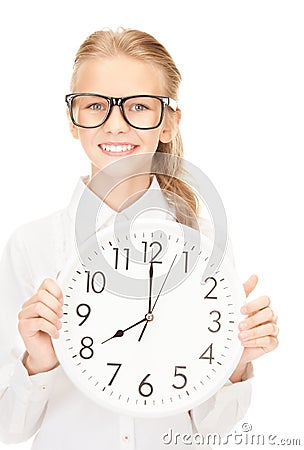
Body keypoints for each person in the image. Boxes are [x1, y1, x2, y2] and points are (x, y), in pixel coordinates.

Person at [0, 28, 278, 449]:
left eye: (140, 107)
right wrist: (38, 362)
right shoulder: (32, 245)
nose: (116, 124)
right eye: (96, 106)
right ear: (74, 122)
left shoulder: (202, 243)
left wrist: (236, 361)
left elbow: (213, 428)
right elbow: (9, 429)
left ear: (169, 123)